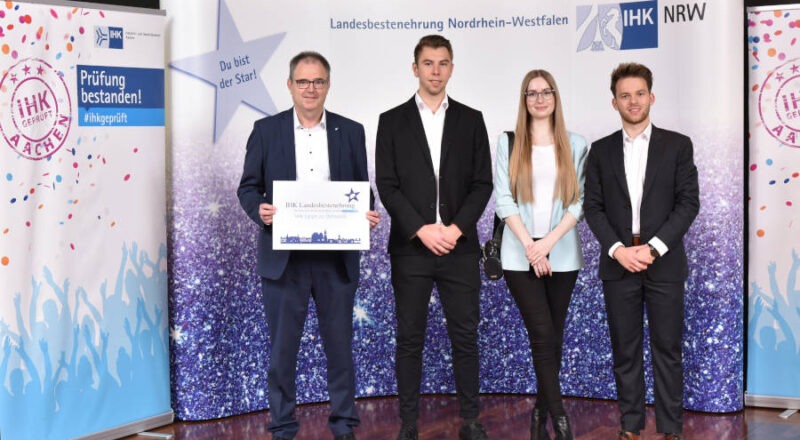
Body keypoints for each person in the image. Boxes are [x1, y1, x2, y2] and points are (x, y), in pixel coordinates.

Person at [237, 51, 380, 440]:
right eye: (303, 82)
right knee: (282, 353)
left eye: (317, 81)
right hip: (285, 260)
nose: (310, 88)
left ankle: (344, 425)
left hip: (337, 259)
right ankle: (283, 426)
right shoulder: (266, 131)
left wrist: (366, 212)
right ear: (290, 86)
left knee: (340, 349)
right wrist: (260, 211)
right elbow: (247, 187)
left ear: (328, 85)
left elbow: (361, 189)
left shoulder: (351, 131)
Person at [375, 35, 493, 440]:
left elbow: (482, 184)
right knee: (410, 339)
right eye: (428, 63)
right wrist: (421, 229)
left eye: (443, 63)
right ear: (415, 68)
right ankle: (409, 424)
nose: (436, 71)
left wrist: (456, 229)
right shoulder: (391, 121)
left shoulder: (471, 119)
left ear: (452, 68)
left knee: (466, 337)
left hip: (459, 249)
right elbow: (387, 187)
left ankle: (471, 420)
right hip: (411, 249)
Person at [583, 63, 699, 440]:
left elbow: (688, 203)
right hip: (619, 265)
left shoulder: (678, 145)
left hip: (663, 263)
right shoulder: (598, 151)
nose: (633, 101)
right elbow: (593, 207)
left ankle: (670, 429)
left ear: (652, 96)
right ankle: (630, 426)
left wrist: (653, 248)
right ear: (614, 102)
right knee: (625, 351)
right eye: (624, 95)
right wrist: (619, 250)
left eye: (639, 93)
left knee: (668, 351)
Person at [493, 70, 587, 440]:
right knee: (542, 333)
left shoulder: (576, 144)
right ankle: (561, 421)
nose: (539, 98)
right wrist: (531, 247)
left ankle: (539, 415)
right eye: (532, 93)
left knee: (554, 337)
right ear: (524, 99)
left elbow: (580, 203)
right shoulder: (509, 142)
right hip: (519, 254)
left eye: (546, 91)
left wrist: (546, 244)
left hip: (561, 254)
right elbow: (503, 200)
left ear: (555, 97)